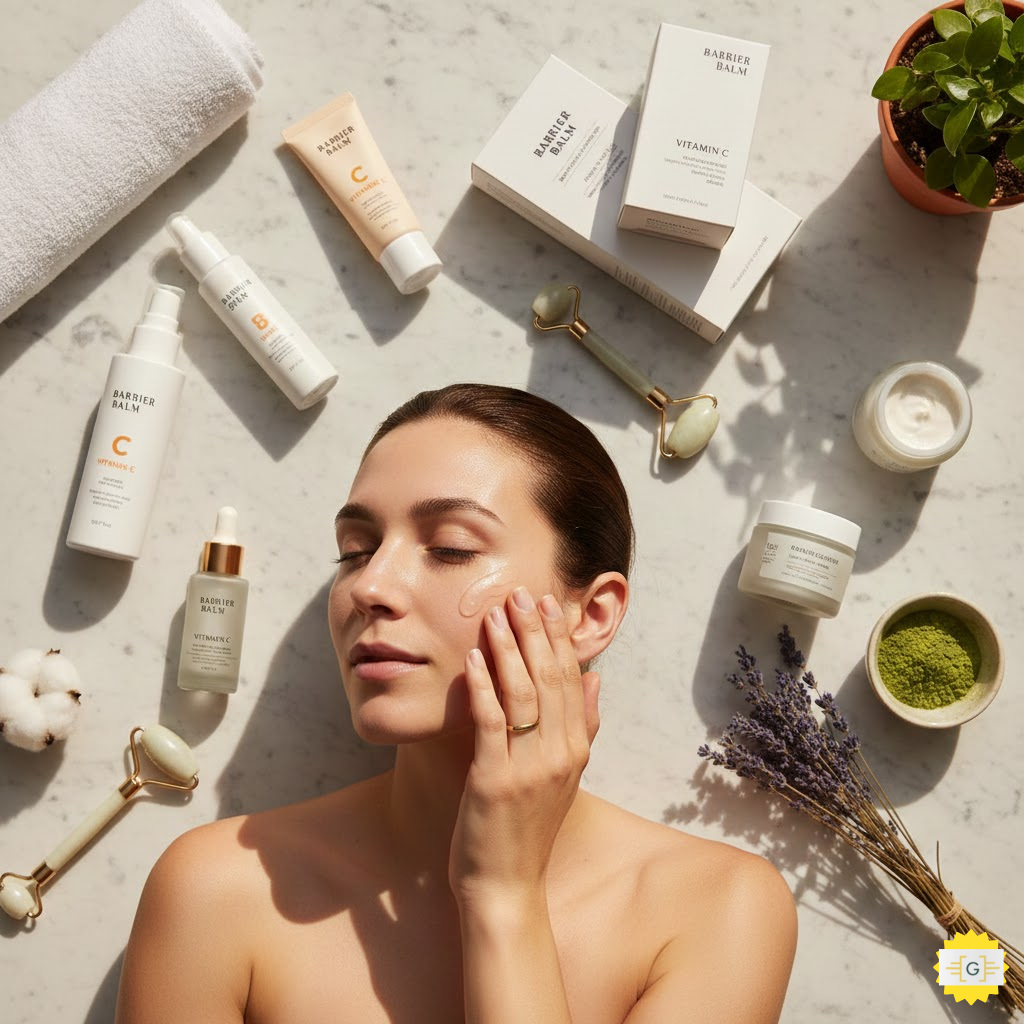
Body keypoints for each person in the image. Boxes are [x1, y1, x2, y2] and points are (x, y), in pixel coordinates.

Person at [115, 383, 797, 1023]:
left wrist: (503, 896)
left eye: (450, 547)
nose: (370, 586)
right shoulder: (218, 891)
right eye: (354, 551)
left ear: (590, 614)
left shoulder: (717, 910)